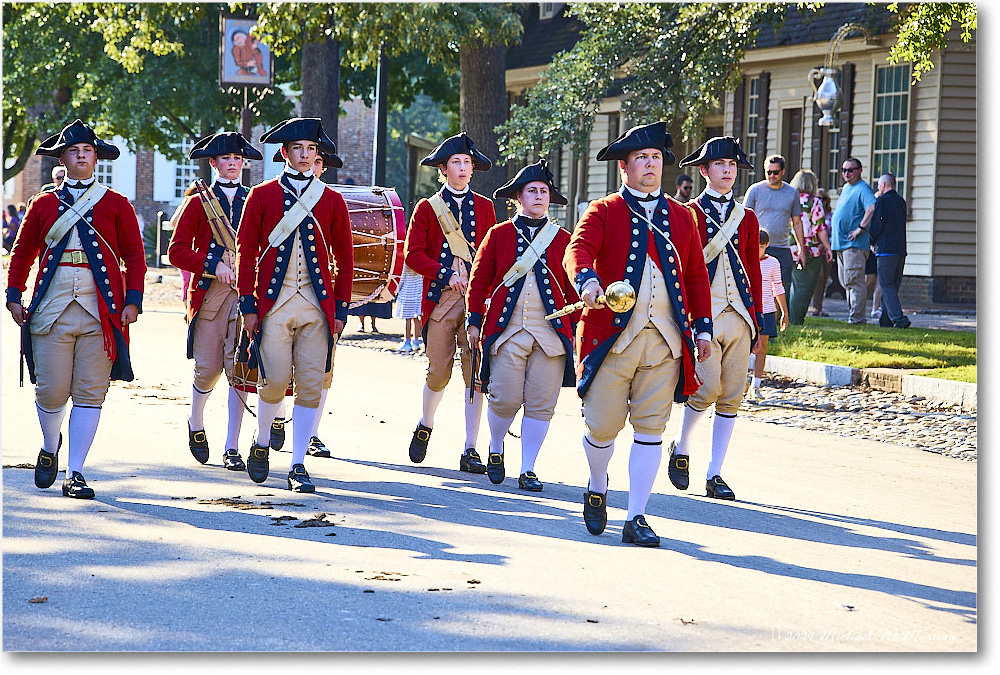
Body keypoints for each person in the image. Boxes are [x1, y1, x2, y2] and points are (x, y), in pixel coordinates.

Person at [564, 121, 712, 547]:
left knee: (651, 428)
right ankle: (597, 484)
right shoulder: (604, 210)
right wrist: (588, 280)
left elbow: (697, 277)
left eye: (656, 158)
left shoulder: (682, 217)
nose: (650, 165)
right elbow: (579, 250)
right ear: (624, 168)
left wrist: (702, 328)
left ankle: (637, 516)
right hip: (611, 340)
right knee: (602, 428)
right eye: (641, 159)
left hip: (665, 341)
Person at [5, 119, 146, 499]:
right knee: (50, 391)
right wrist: (14, 293)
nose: (81, 156)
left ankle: (77, 471)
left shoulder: (116, 204)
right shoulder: (44, 204)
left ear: (96, 157)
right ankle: (50, 448)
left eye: (87, 150)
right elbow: (22, 252)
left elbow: (134, 255)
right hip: (51, 308)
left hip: (101, 312)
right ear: (63, 159)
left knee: (90, 392)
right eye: (73, 151)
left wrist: (133, 299)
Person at [236, 117, 354, 492]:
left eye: (312, 150)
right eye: (299, 150)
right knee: (271, 385)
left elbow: (346, 257)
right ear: (284, 153)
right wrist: (247, 302)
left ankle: (299, 464)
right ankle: (260, 443)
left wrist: (342, 306)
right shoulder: (262, 195)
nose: (306, 156)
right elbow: (246, 250)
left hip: (317, 308)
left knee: (311, 386)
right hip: (274, 304)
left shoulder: (332, 200)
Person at [467, 160, 579, 492]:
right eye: (532, 191)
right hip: (508, 331)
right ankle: (496, 446)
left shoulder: (563, 239)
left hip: (551, 336)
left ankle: (528, 467)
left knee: (542, 402)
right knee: (503, 398)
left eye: (544, 191)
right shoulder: (498, 235)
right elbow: (480, 280)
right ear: (518, 197)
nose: (539, 196)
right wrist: (474, 322)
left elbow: (574, 287)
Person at [668, 135, 763, 502]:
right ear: (705, 171)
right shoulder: (687, 213)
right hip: (702, 313)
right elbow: (681, 266)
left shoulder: (747, 217)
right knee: (706, 389)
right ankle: (683, 446)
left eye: (733, 165)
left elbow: (752, 269)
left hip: (739, 314)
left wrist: (759, 320)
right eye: (721, 165)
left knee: (732, 396)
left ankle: (715, 473)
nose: (728, 171)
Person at [167, 131, 263, 472]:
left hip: (245, 296)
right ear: (214, 163)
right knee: (207, 370)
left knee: (240, 372)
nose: (233, 163)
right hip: (210, 296)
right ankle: (195, 421)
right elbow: (175, 251)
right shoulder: (198, 202)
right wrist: (213, 266)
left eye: (238, 158)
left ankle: (232, 446)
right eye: (226, 158)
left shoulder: (255, 200)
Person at [404, 132, 497, 473]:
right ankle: (426, 423)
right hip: (441, 301)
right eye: (456, 163)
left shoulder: (486, 207)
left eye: (467, 163)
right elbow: (413, 254)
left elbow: (492, 256)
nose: (462, 168)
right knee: (439, 372)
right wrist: (445, 274)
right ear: (442, 169)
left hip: (475, 301)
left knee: (475, 374)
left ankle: (470, 448)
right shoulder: (427, 208)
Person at [742, 154, 806, 294]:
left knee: (780, 288)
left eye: (775, 172)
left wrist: (801, 249)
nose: (771, 176)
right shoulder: (755, 190)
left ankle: (776, 316)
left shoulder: (792, 192)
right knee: (756, 286)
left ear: (782, 171)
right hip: (757, 246)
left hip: (781, 247)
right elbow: (743, 220)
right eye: (768, 172)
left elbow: (797, 223)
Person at [830, 157, 876, 324]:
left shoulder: (863, 188)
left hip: (854, 245)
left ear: (859, 170)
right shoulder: (846, 188)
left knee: (855, 281)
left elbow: (871, 207)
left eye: (850, 170)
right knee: (846, 282)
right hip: (841, 244)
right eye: (844, 170)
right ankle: (854, 316)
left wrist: (860, 228)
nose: (847, 173)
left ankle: (857, 319)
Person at [787, 169, 832, 324]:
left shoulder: (787, 199)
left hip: (787, 246)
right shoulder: (814, 202)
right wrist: (828, 247)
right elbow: (819, 227)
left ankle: (783, 319)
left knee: (786, 285)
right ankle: (795, 321)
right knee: (803, 288)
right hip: (809, 250)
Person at [749, 230, 787, 399]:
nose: (758, 250)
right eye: (755, 246)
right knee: (743, 348)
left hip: (767, 310)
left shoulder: (772, 263)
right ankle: (739, 381)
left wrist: (784, 312)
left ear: (767, 246)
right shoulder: (744, 260)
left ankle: (756, 384)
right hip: (748, 309)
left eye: (762, 247)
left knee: (762, 348)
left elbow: (777, 287)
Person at [869, 172, 910, 329]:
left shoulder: (882, 201)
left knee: (886, 284)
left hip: (886, 249)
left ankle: (899, 319)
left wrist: (872, 240)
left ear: (884, 185)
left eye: (879, 185)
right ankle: (886, 320)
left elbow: (877, 224)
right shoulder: (901, 202)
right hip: (900, 249)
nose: (878, 188)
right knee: (893, 285)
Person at [810, 188, 836, 316]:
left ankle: (819, 306)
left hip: (827, 249)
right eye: (818, 198)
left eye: (823, 198)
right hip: (815, 249)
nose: (820, 201)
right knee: (818, 278)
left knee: (825, 278)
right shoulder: (812, 211)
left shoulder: (831, 215)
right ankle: (813, 306)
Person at [395, 261, 424, 352]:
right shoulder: (420, 262)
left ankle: (407, 341)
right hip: (418, 291)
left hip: (407, 292)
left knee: (407, 319)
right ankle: (416, 341)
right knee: (416, 318)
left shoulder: (406, 262)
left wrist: (397, 289)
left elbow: (402, 277)